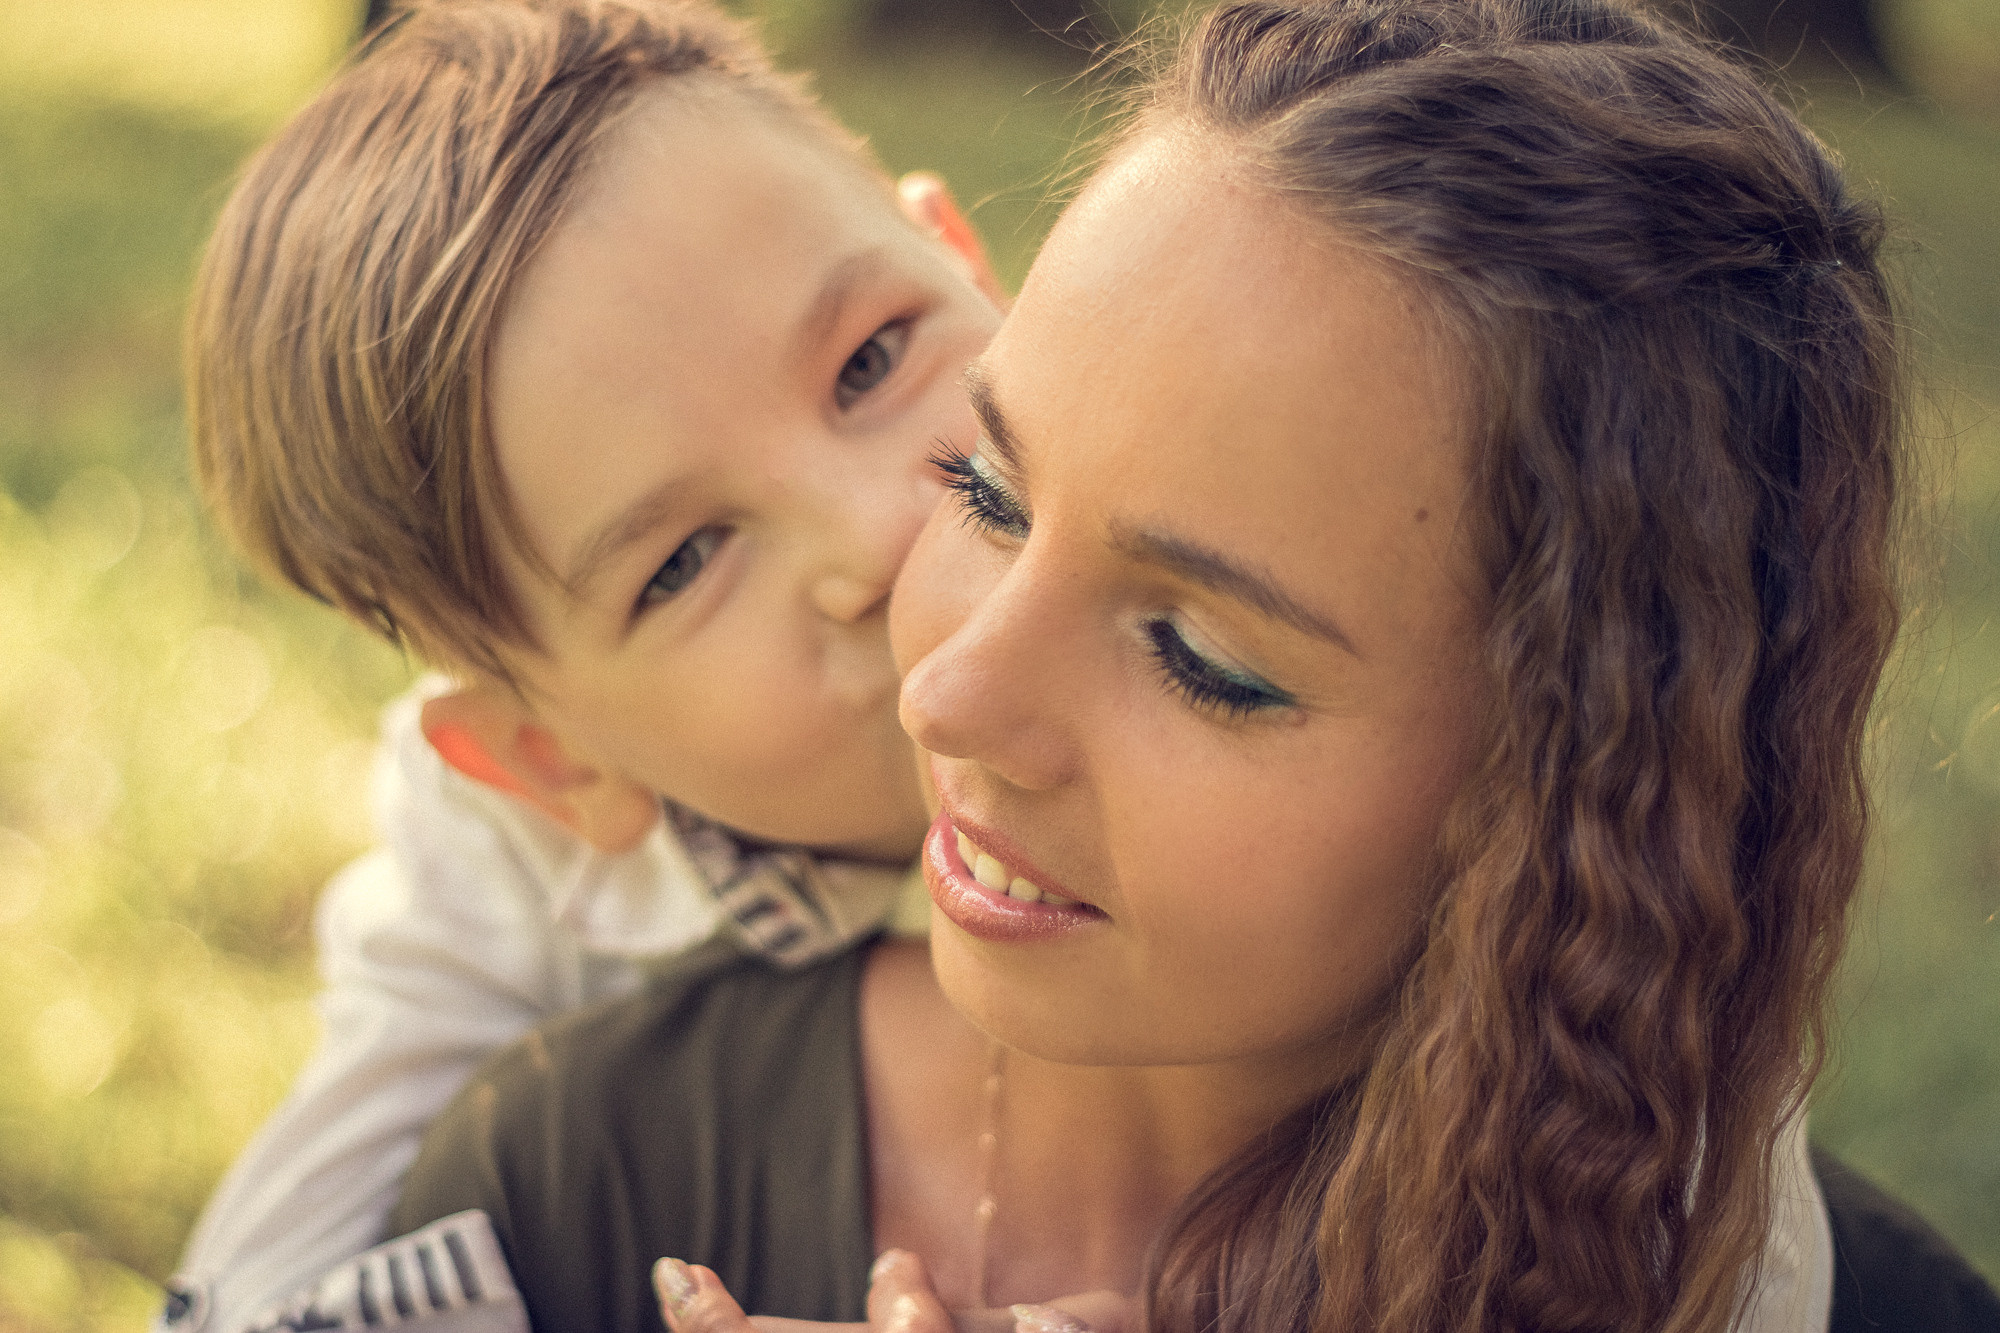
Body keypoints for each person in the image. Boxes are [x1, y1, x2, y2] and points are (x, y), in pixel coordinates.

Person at [387, 1, 2000, 1331]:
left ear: (1579, 794)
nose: (946, 696)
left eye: (1205, 657)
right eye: (988, 491)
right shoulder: (562, 1184)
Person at [164, 3, 1004, 1330]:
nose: (883, 534)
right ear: (556, 762)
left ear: (967, 263)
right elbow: (260, 1297)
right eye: (682, 561)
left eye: (873, 356)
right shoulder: (509, 874)